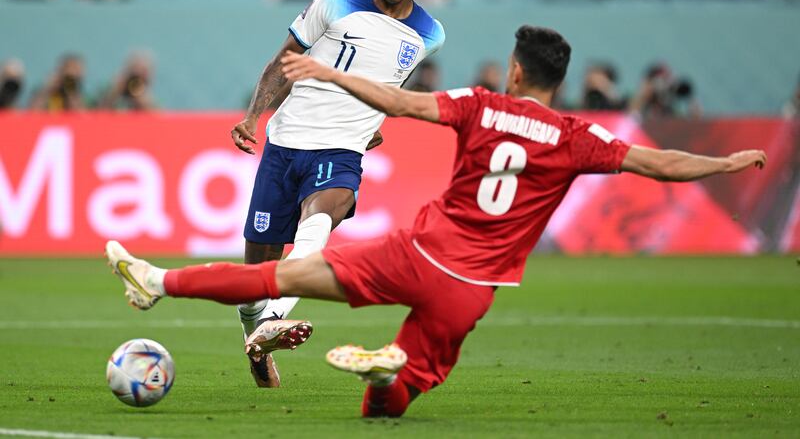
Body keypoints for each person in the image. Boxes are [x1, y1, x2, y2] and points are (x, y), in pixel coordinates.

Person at [107, 25, 766, 418]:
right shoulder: (578, 135)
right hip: (470, 288)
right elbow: (662, 163)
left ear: (514, 71)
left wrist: (322, 71)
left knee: (277, 273)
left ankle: (157, 281)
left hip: (412, 252)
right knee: (389, 403)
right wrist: (726, 162)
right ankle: (390, 373)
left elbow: (394, 100)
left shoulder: (479, 105)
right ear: (558, 81)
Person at [228, 0, 445, 388]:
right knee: (254, 280)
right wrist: (253, 117)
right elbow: (285, 61)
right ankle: (257, 335)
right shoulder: (334, 1)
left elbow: (392, 81)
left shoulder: (429, 33)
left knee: (323, 215)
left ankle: (274, 321)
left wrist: (375, 124)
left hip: (341, 147)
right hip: (287, 143)